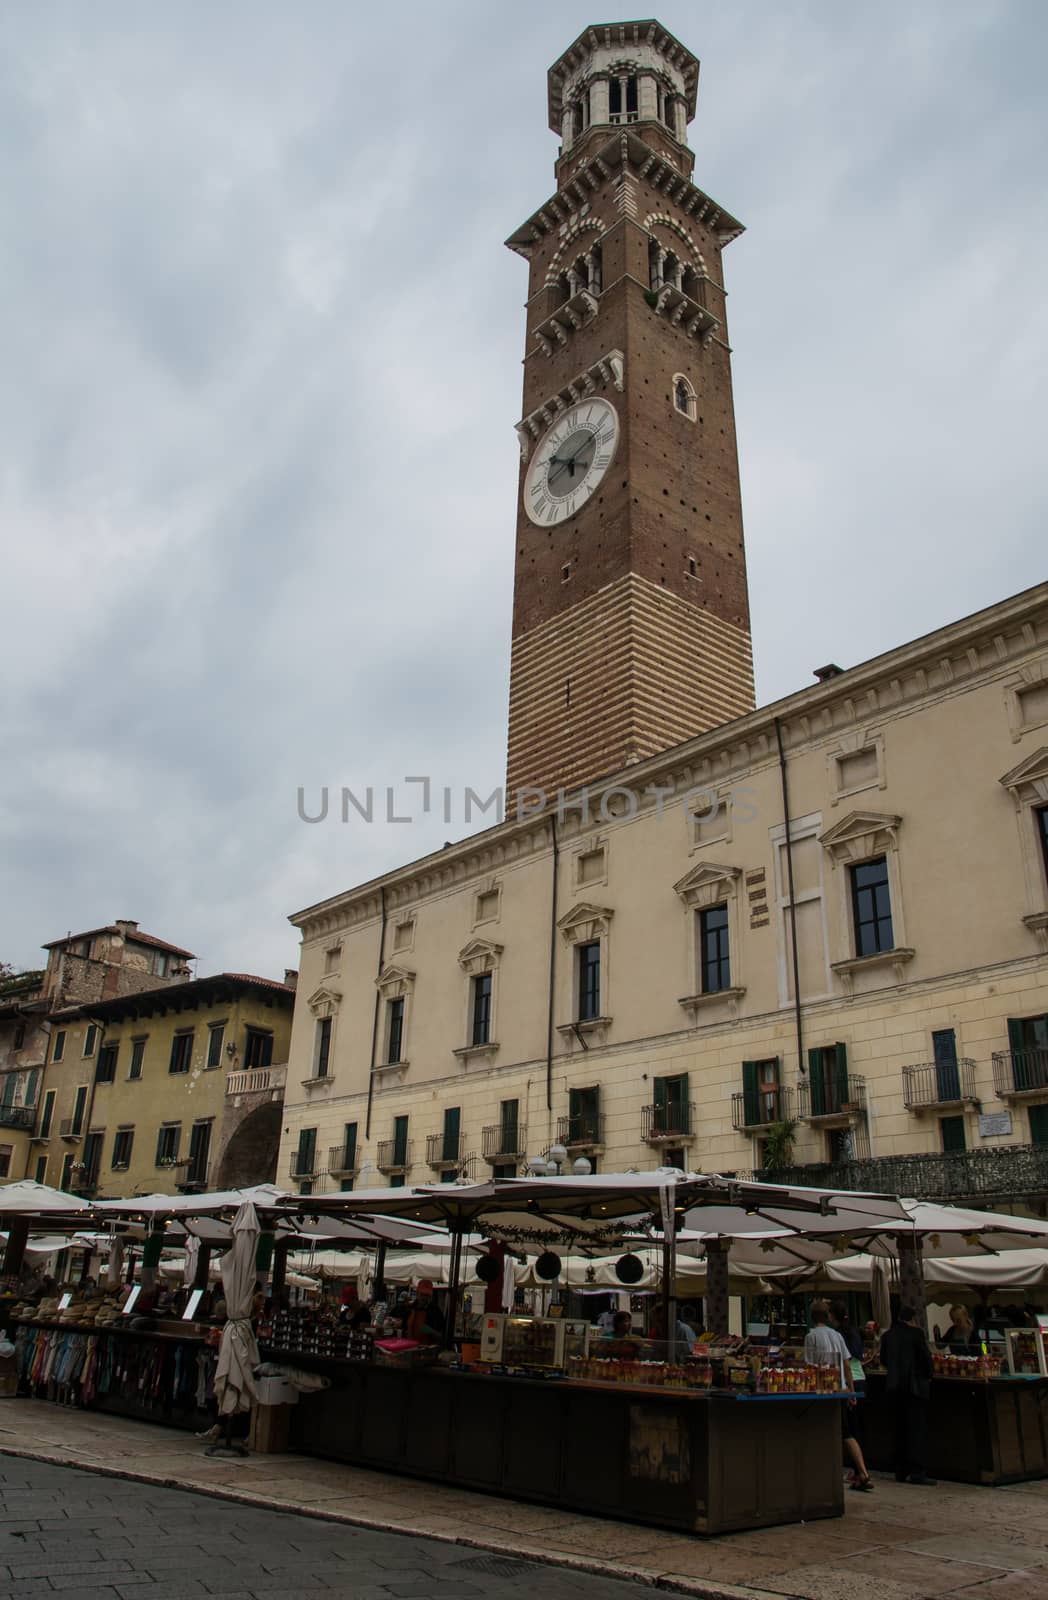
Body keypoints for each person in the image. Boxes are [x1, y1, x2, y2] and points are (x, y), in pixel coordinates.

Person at [806, 1301, 873, 1491]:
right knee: (846, 1432)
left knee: (823, 1432)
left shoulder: (811, 1336)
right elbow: (846, 1364)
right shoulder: (837, 1335)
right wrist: (850, 1390)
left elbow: (810, 1366)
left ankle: (824, 1473)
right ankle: (863, 1471)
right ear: (827, 1317)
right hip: (841, 1388)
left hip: (821, 1390)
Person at [880, 1305, 936, 1486]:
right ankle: (917, 1472)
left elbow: (883, 1360)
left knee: (899, 1429)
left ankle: (900, 1470)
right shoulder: (916, 1334)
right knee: (916, 1430)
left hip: (894, 1388)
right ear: (913, 1319)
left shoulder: (887, 1336)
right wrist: (928, 1376)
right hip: (914, 1387)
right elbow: (926, 1359)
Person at [829, 1299, 873, 1491]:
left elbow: (844, 1363)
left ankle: (859, 1471)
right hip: (861, 1378)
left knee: (849, 1430)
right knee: (857, 1427)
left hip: (849, 1382)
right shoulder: (853, 1332)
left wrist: (848, 1388)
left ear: (832, 1316)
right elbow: (859, 1356)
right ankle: (859, 1469)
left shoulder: (838, 1335)